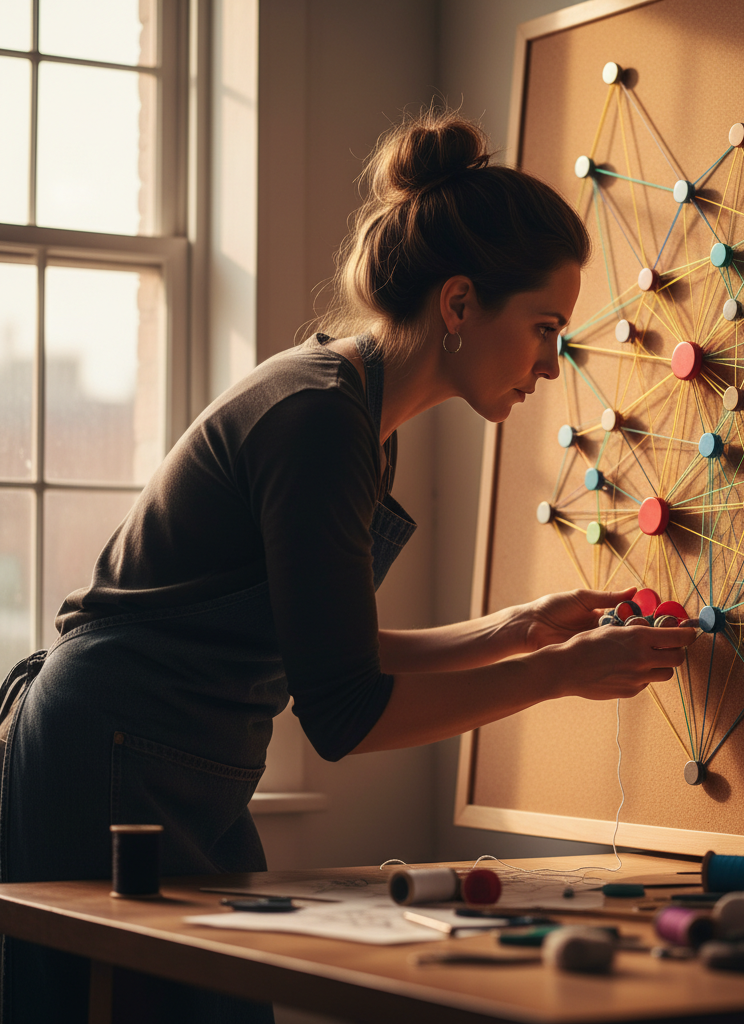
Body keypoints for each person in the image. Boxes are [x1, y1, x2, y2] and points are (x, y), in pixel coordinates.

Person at [0, 109, 697, 1022]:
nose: (551, 366)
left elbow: (327, 651)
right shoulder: (322, 419)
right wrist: (559, 673)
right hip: (117, 757)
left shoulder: (358, 413)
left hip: (175, 758)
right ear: (458, 305)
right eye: (543, 328)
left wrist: (517, 629)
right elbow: (344, 713)